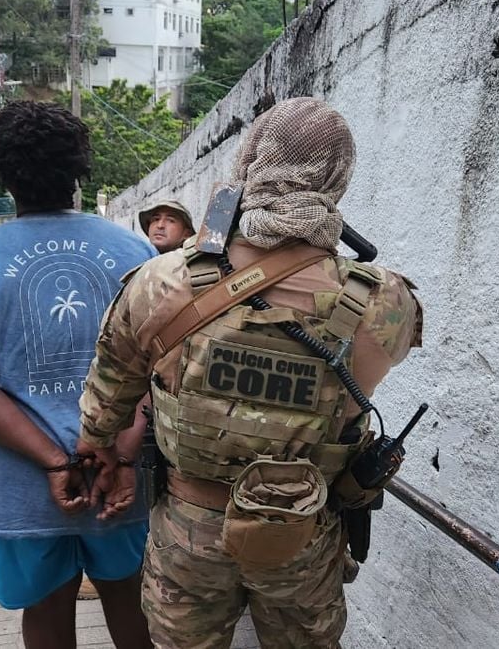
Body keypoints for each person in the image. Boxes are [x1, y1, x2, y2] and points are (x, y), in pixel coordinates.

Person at [77, 97, 423, 648]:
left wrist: (99, 447)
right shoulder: (386, 302)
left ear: (249, 166)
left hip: (188, 534)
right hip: (303, 536)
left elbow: (109, 391)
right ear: (338, 179)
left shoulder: (161, 281)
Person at [0, 101, 155, 649]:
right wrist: (119, 454)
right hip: (123, 478)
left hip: (22, 486)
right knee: (135, 607)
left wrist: (55, 461)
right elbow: (162, 368)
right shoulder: (139, 254)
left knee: (47, 614)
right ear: (80, 170)